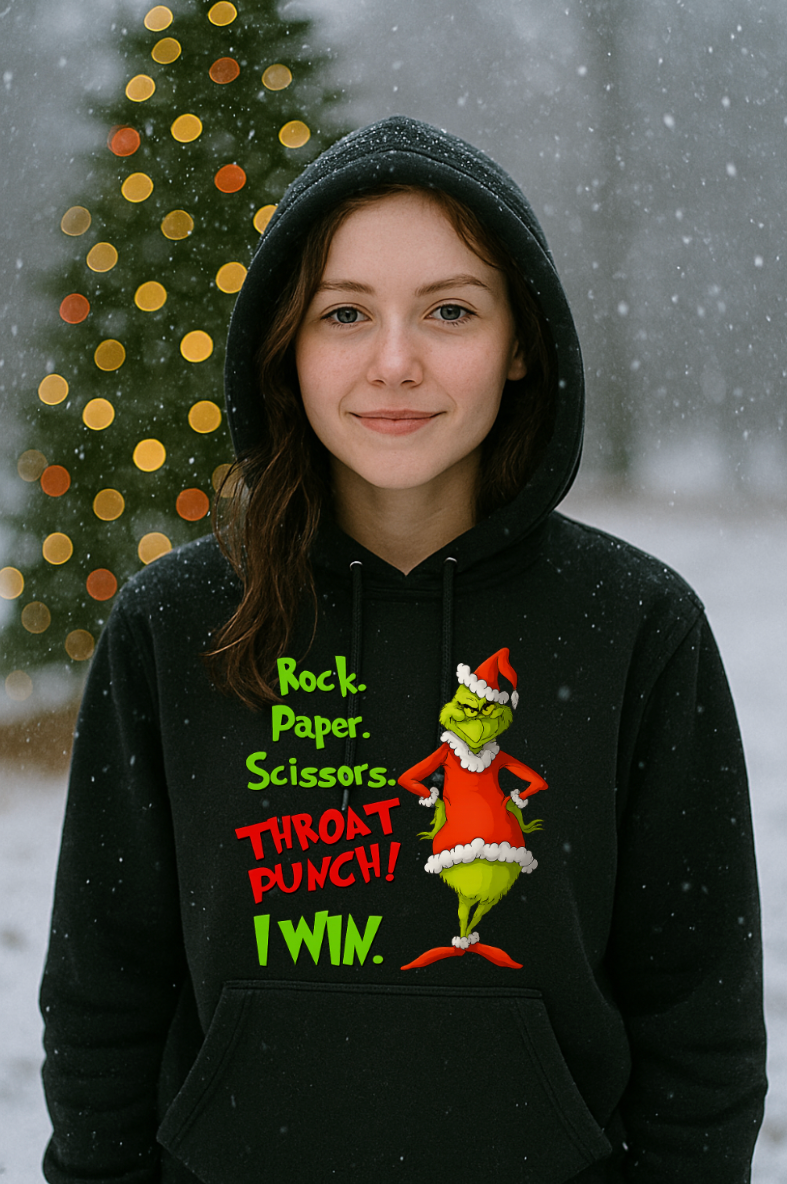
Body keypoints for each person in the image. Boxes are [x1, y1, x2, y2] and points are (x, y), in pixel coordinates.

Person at [40, 116, 766, 1183]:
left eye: (450, 310)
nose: (395, 362)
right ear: (287, 342)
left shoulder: (634, 625)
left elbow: (698, 1018)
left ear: (522, 340)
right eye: (344, 313)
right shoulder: (174, 619)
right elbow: (103, 993)